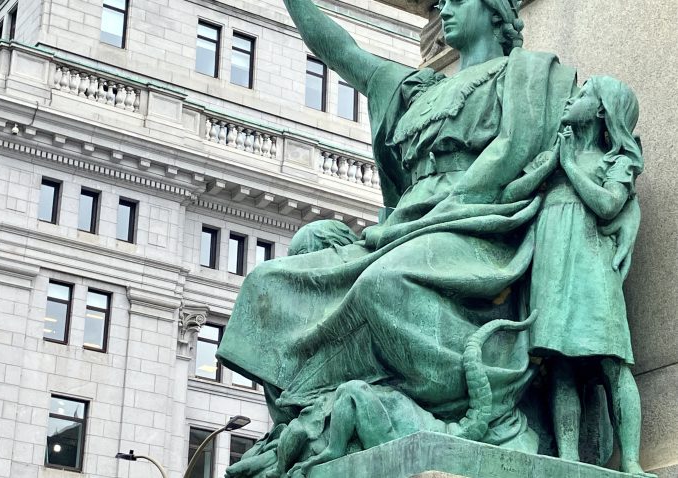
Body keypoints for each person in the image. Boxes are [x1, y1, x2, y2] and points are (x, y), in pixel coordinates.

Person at [215, 0, 641, 476]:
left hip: (481, 224)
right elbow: (342, 51)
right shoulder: (417, 89)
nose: (444, 9)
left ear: (495, 11)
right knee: (267, 284)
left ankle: (450, 407)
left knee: (383, 284)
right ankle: (312, 416)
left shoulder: (529, 73)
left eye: (457, 0)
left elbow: (540, 150)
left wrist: (443, 209)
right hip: (404, 226)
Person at [528, 76, 652, 476]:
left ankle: (631, 460)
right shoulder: (554, 152)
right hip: (552, 264)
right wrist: (553, 162)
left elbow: (609, 204)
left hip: (593, 261)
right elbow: (517, 191)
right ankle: (568, 458)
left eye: (583, 94)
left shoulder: (615, 161)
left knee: (614, 361)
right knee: (560, 365)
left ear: (601, 110)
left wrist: (568, 167)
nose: (572, 98)